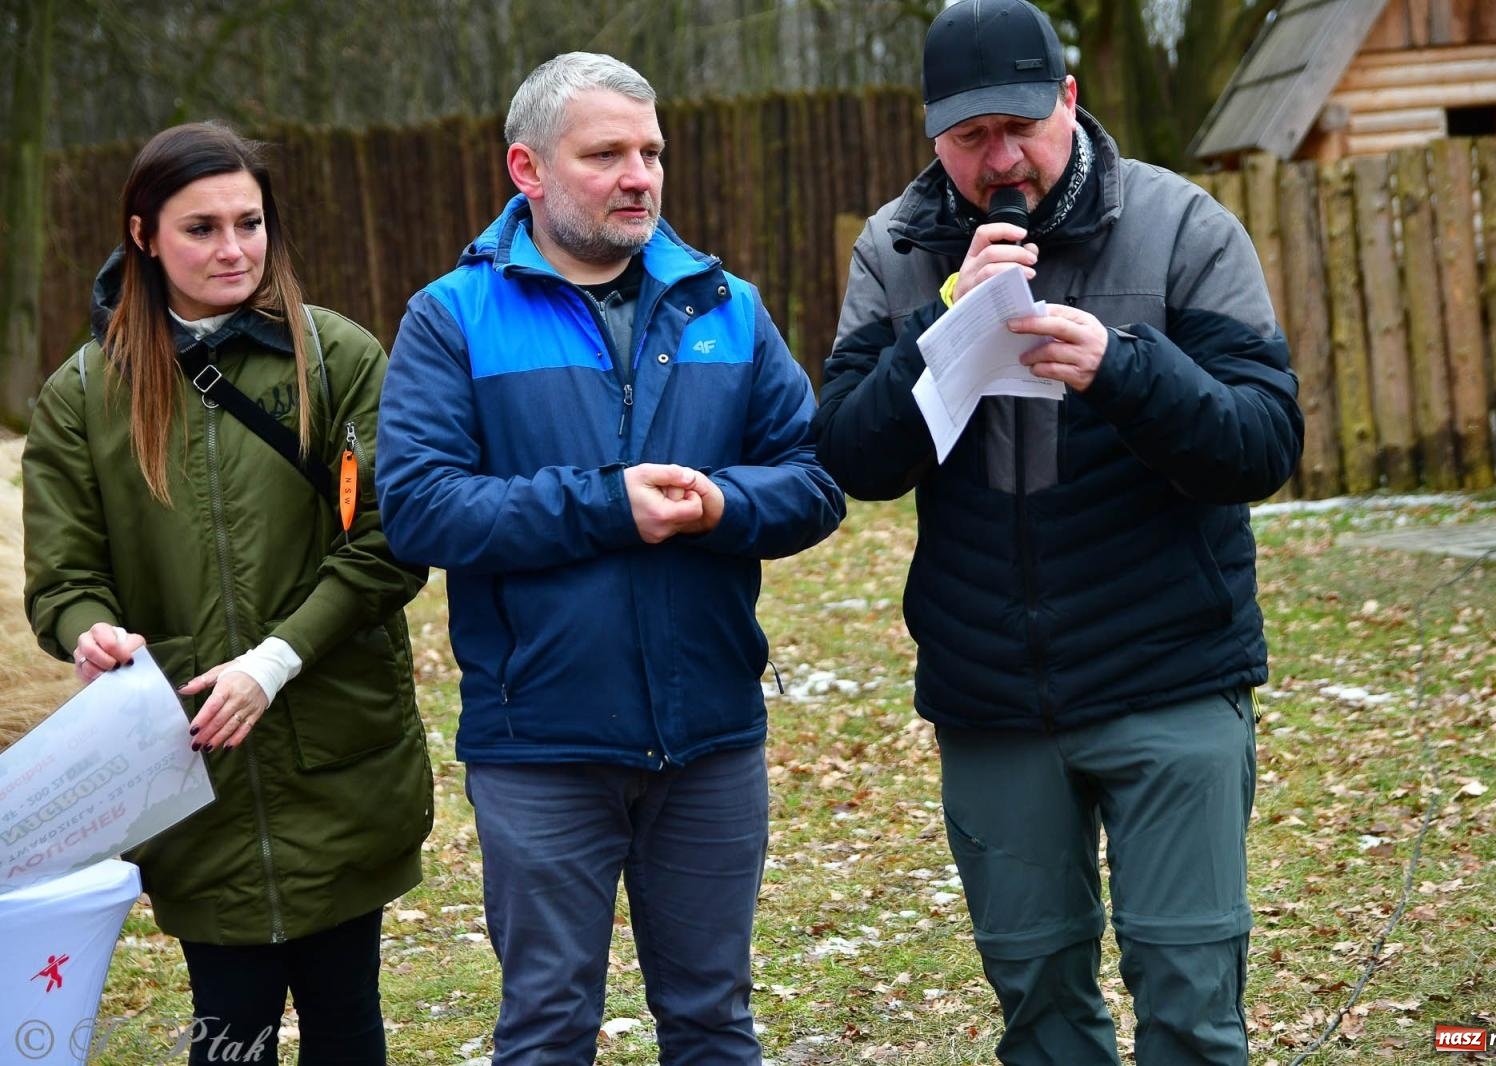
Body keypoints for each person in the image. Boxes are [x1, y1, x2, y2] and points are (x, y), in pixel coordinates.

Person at [813, 1, 1306, 1063]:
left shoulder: (1183, 227)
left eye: (1019, 129)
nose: (1000, 161)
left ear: (1068, 102)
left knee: (1187, 996)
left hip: (1168, 675)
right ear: (931, 134)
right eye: (967, 138)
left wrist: (1124, 368)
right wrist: (942, 321)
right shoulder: (897, 250)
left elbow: (1263, 444)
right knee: (1038, 1003)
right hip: (991, 693)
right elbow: (852, 459)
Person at [376, 52, 844, 1065]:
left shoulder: (726, 307)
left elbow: (814, 479)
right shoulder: (451, 317)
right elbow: (417, 509)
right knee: (547, 1025)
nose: (639, 175)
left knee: (715, 1022)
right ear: (527, 169)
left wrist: (723, 502)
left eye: (651, 152)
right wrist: (604, 505)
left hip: (711, 737)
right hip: (540, 739)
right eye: (606, 155)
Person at [22, 122, 433, 1065]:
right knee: (229, 1032)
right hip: (187, 770)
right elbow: (64, 582)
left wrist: (274, 662)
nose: (232, 248)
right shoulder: (82, 394)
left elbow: (385, 547)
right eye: (200, 227)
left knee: (346, 1021)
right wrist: (93, 635)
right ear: (142, 235)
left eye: (248, 222)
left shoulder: (338, 358)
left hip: (338, 755)